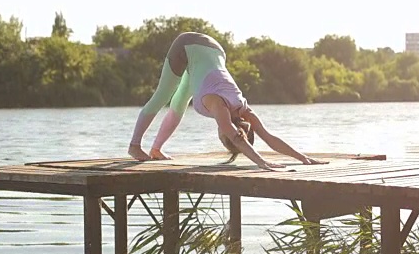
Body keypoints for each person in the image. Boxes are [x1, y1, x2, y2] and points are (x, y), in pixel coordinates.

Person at [128, 31, 329, 171]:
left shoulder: (243, 109)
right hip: (187, 45)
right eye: (223, 136)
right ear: (225, 133)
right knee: (163, 96)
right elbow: (236, 137)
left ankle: (156, 149)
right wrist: (261, 162)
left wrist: (303, 158)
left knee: (179, 102)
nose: (220, 133)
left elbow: (268, 137)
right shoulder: (219, 105)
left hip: (215, 50)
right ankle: (134, 145)